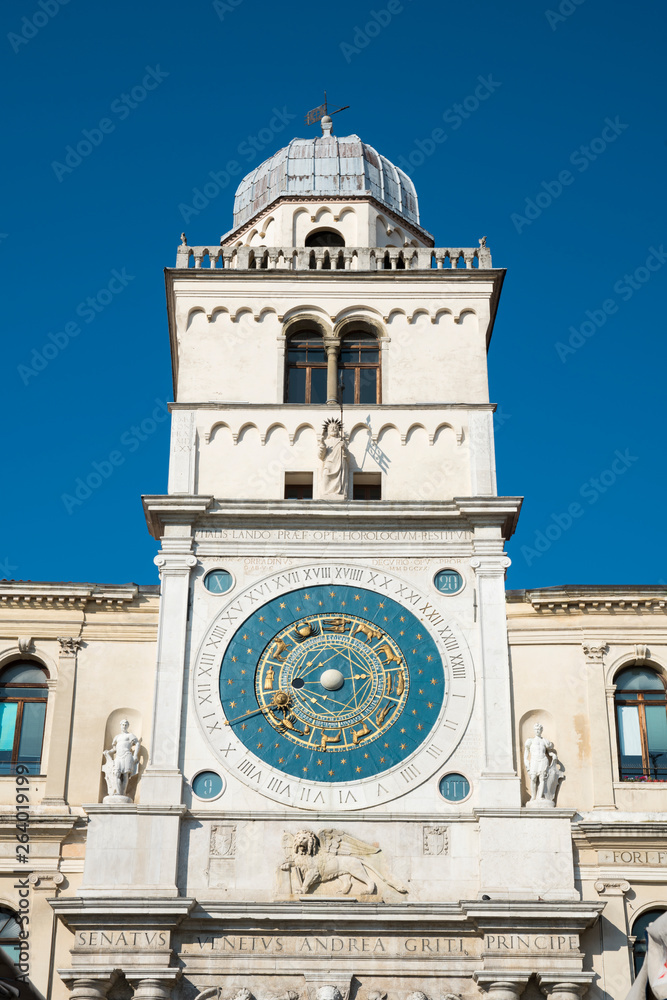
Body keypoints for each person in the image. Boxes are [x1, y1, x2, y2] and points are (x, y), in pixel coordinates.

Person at [103, 719, 141, 799]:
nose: (124, 726)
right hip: (118, 756)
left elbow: (137, 744)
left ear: (128, 726)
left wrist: (135, 755)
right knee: (117, 773)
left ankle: (122, 793)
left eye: (126, 724)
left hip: (127, 755)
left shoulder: (130, 735)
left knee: (125, 774)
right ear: (120, 725)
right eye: (123, 724)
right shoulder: (117, 737)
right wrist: (108, 752)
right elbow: (114, 749)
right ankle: (118, 791)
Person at [318, 420, 348, 500]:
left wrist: (344, 448)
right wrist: (322, 445)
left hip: (338, 465)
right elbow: (321, 456)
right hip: (328, 464)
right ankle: (326, 494)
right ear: (328, 430)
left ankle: (337, 493)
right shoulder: (325, 442)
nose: (333, 429)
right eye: (331, 427)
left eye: (335, 427)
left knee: (338, 482)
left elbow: (346, 456)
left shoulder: (340, 442)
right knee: (325, 475)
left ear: (338, 430)